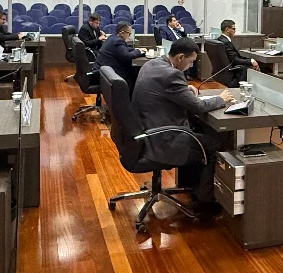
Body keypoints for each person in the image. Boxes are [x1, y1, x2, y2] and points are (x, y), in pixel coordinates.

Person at [132, 38, 234, 215]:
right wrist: (221, 99)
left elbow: (164, 90)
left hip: (145, 131)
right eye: (191, 61)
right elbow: (199, 107)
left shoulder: (153, 64)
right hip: (163, 140)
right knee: (215, 146)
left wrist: (184, 90)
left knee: (199, 131)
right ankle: (205, 201)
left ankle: (193, 185)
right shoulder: (172, 75)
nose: (191, 65)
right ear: (180, 57)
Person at [96, 21, 144, 92]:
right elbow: (127, 56)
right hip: (109, 72)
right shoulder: (118, 41)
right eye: (129, 33)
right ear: (122, 33)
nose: (130, 36)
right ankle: (130, 98)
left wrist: (136, 50)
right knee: (134, 73)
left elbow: (124, 49)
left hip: (102, 68)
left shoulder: (112, 37)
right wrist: (139, 51)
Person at [217, 19, 259, 85]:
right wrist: (250, 61)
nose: (235, 31)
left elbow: (234, 57)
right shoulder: (226, 43)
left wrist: (250, 60)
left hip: (221, 74)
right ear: (227, 29)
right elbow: (234, 60)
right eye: (233, 29)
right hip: (233, 72)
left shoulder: (220, 40)